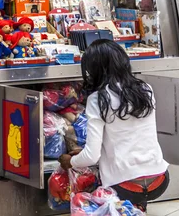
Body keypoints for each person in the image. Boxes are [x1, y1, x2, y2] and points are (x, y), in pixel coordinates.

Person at [59, 40, 169, 211]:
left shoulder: (99, 99)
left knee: (85, 192)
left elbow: (92, 156)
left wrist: (71, 161)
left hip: (125, 185)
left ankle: (126, 207)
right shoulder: (146, 89)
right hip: (160, 179)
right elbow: (129, 136)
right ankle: (135, 209)